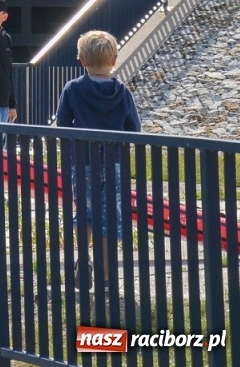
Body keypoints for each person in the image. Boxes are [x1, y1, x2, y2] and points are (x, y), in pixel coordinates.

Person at [53, 30, 141, 292]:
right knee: (108, 219)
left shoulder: (73, 89)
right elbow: (133, 129)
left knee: (85, 214)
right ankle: (105, 278)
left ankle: (83, 260)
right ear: (114, 59)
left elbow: (62, 124)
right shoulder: (122, 92)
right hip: (114, 165)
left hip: (82, 163)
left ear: (81, 60)